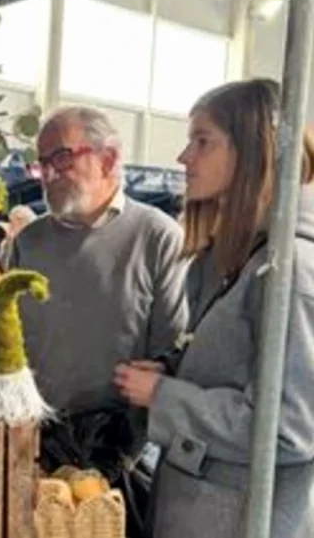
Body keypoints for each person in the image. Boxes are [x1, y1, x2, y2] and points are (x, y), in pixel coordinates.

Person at [115, 79, 314, 538]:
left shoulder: (292, 271)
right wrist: (170, 370)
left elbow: (289, 427)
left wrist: (163, 396)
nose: (185, 158)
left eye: (203, 141)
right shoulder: (228, 261)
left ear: (254, 150)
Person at [9, 106, 188, 485]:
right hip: (31, 448)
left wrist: (120, 453)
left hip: (119, 456)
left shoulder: (157, 236)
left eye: (62, 156)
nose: (50, 173)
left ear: (107, 159)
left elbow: (169, 356)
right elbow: (11, 345)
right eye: (43, 162)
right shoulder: (28, 242)